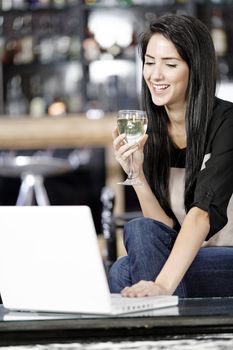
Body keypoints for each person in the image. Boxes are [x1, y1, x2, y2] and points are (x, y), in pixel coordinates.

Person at [109, 13, 233, 298]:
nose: (155, 75)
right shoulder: (150, 132)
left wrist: (162, 286)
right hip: (183, 256)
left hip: (227, 255)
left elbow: (201, 214)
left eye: (170, 64)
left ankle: (151, 333)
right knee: (140, 231)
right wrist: (136, 174)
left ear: (195, 68)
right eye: (150, 63)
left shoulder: (226, 122)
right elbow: (161, 229)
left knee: (122, 271)